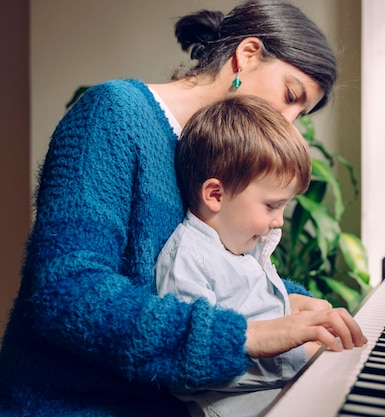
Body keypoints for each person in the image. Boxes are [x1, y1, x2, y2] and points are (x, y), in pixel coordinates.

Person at [0, 2, 366, 416]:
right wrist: (246, 336)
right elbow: (66, 293)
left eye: (301, 113)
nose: (288, 123)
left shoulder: (221, 150)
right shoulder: (111, 115)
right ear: (246, 55)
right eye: (290, 96)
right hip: (76, 404)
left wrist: (290, 304)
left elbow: (220, 267)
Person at [155, 94, 318, 417]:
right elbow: (189, 368)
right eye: (272, 205)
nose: (279, 220)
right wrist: (302, 356)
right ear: (215, 195)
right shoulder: (187, 259)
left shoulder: (244, 241)